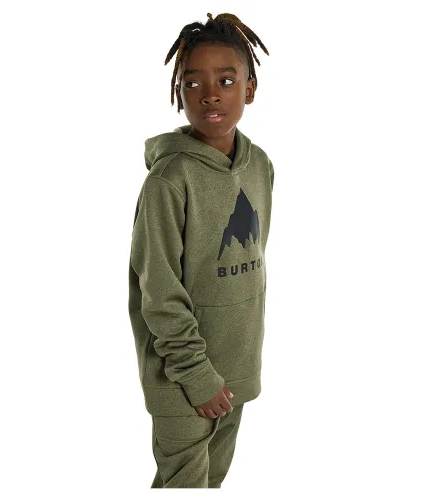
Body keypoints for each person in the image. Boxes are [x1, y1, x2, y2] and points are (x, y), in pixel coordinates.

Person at [128, 12, 274, 488]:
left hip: (236, 369)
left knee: (213, 484)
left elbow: (250, 267)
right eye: (193, 83)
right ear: (179, 93)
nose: (210, 94)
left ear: (249, 89)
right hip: (182, 378)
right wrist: (197, 376)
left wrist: (238, 368)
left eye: (226, 81)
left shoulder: (260, 166)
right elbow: (159, 294)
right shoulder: (168, 181)